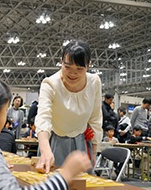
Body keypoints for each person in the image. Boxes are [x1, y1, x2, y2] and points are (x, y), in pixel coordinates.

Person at [35, 39, 103, 173]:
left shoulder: (94, 81)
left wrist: (94, 151)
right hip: (54, 143)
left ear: (88, 65)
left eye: (79, 68)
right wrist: (45, 150)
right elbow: (43, 118)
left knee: (83, 184)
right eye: (67, 67)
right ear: (61, 61)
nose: (73, 73)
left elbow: (95, 118)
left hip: (82, 143)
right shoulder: (49, 84)